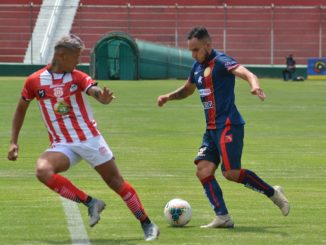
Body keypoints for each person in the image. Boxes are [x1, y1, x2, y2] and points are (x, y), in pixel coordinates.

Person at [7, 34, 159, 241]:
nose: (79, 61)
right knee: (43, 171)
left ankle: (147, 223)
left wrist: (102, 97)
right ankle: (90, 202)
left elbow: (92, 89)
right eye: (76, 56)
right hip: (62, 145)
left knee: (115, 182)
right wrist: (13, 142)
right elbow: (20, 109)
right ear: (61, 55)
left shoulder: (77, 76)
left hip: (89, 139)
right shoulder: (35, 81)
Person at [157, 26, 290, 228]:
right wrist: (169, 96)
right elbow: (187, 90)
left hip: (228, 125)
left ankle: (274, 193)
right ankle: (223, 217)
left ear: (207, 45)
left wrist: (254, 85)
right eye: (190, 50)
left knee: (230, 173)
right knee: (203, 170)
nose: (193, 55)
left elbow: (245, 72)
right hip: (211, 130)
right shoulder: (197, 68)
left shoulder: (220, 61)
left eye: (196, 50)